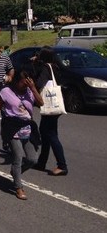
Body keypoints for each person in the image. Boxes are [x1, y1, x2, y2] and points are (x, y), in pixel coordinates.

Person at [0, 71, 43, 200]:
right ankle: (18, 187)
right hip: (12, 128)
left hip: (27, 128)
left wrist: (33, 88)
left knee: (32, 159)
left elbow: (41, 103)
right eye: (24, 82)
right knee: (18, 156)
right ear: (16, 82)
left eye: (28, 82)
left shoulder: (29, 92)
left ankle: (15, 173)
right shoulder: (6, 91)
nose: (26, 85)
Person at [32, 46, 69, 176]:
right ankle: (42, 162)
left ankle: (62, 165)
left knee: (51, 134)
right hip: (56, 105)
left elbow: (39, 83)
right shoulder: (55, 67)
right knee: (45, 132)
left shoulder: (45, 68)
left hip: (50, 105)